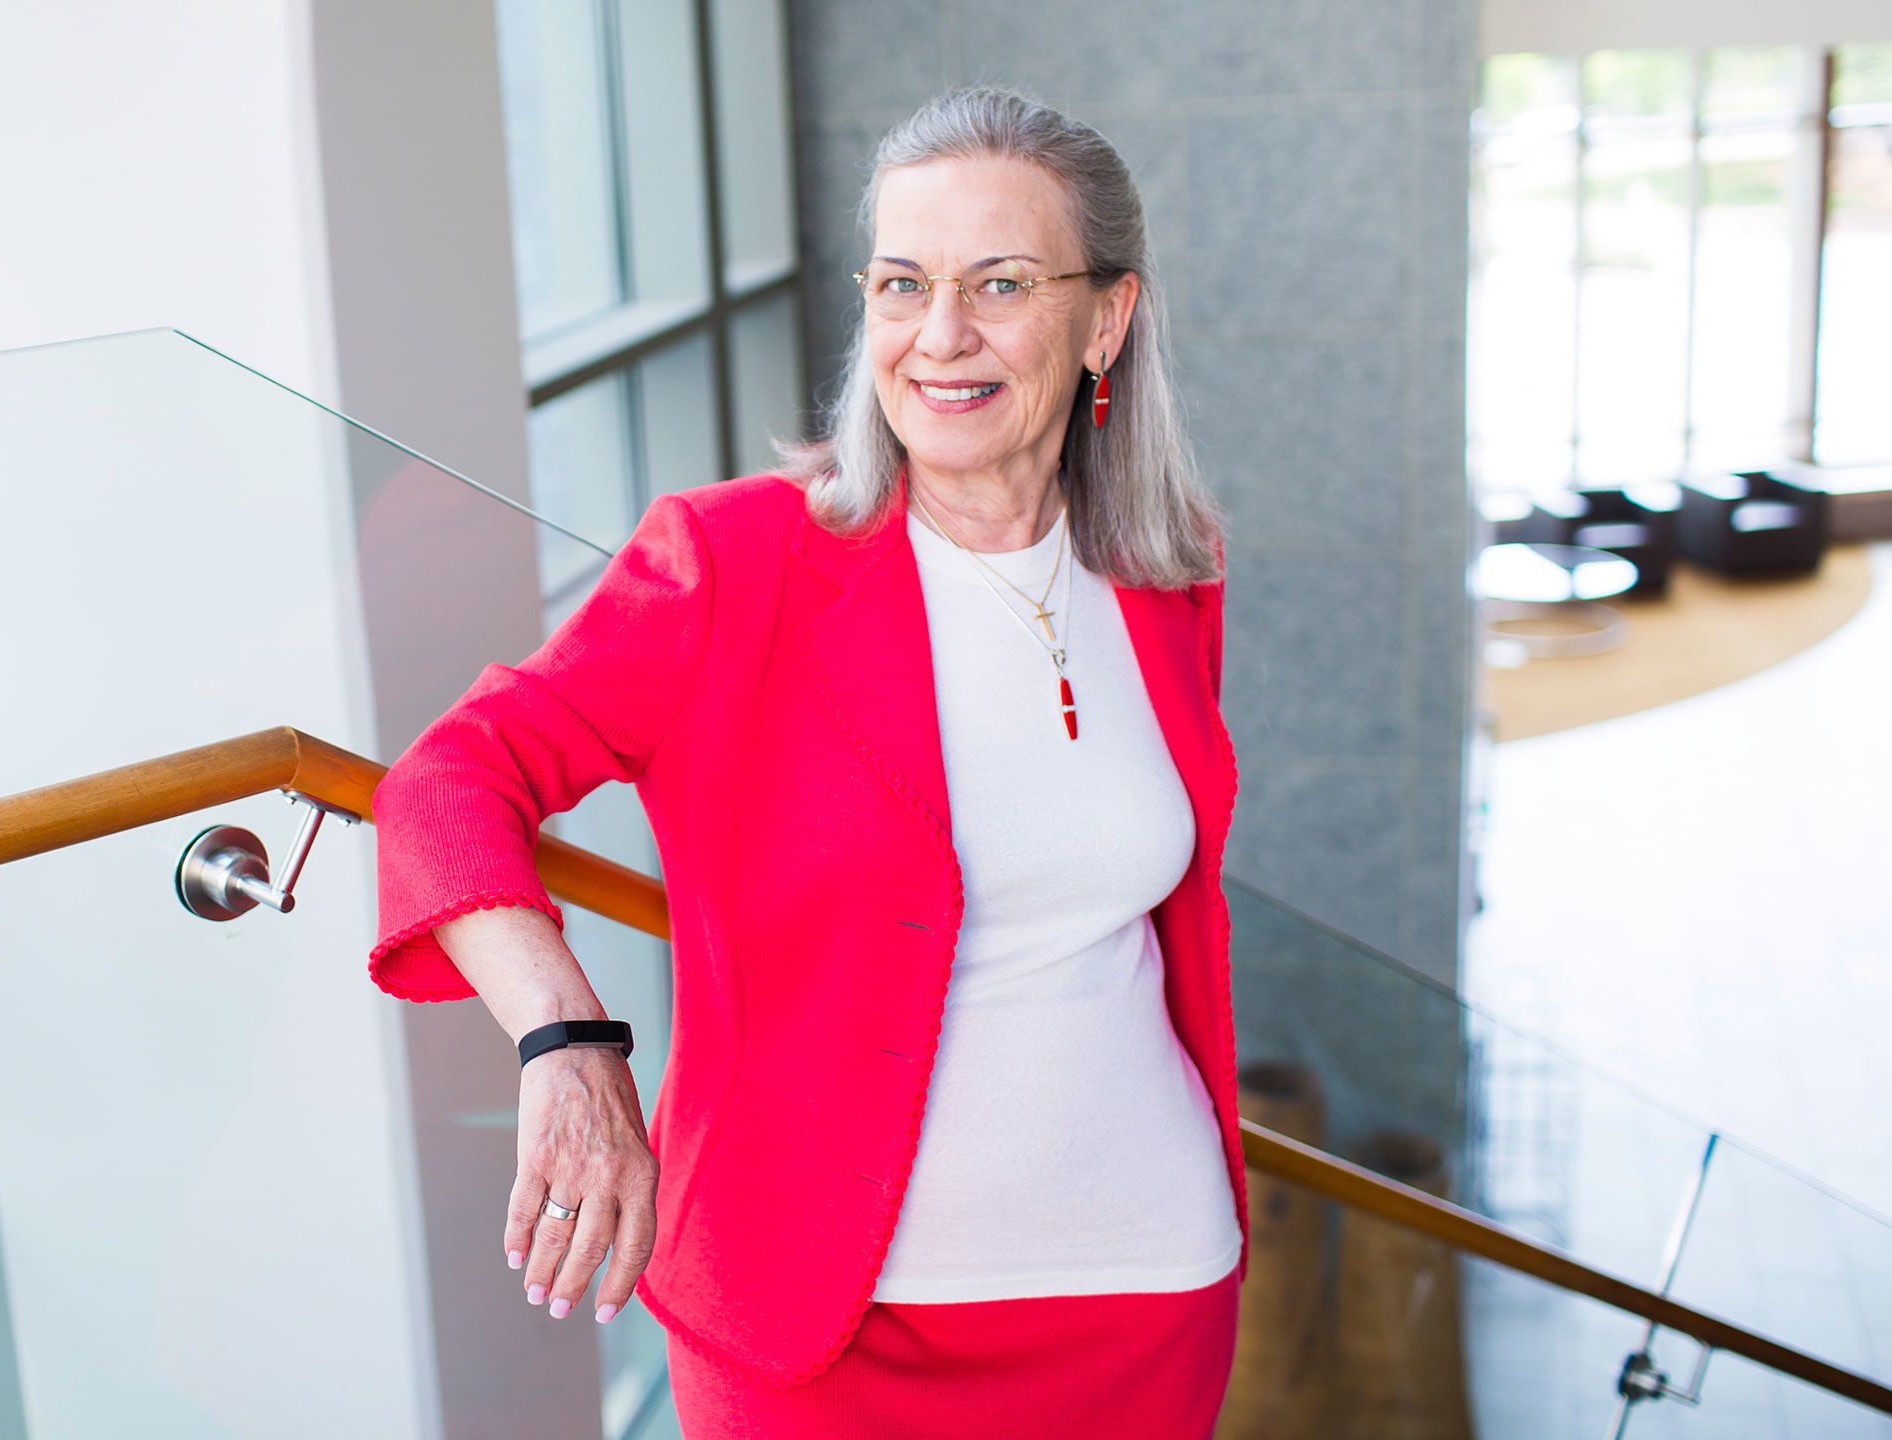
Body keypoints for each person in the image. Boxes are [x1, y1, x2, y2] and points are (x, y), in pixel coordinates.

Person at [367, 83, 1243, 1438]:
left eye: (1000, 284)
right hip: (816, 1333)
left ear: (1106, 318)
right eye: (904, 283)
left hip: (1142, 1294)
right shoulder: (734, 564)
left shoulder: (1163, 573)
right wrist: (563, 1037)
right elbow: (447, 779)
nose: (939, 337)